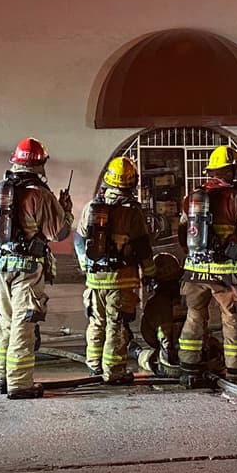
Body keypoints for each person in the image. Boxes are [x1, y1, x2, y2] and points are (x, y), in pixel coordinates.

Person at [0, 137, 73, 399]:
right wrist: (65, 211)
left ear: (15, 161)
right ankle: (19, 384)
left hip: (1, 267)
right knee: (24, 325)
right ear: (41, 164)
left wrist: (1, 259)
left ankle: (1, 377)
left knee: (6, 321)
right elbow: (59, 233)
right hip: (28, 270)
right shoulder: (40, 195)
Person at [178, 145, 237, 388]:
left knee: (194, 317)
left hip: (195, 271)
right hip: (224, 275)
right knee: (231, 319)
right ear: (230, 170)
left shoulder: (193, 198)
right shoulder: (236, 198)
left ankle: (190, 370)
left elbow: (183, 234)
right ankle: (235, 372)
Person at [74, 156, 155, 385]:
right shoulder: (132, 212)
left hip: (94, 279)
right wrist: (150, 273)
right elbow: (142, 247)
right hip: (121, 280)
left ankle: (94, 366)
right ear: (132, 182)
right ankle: (114, 371)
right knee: (116, 325)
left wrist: (86, 266)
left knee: (96, 322)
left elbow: (79, 240)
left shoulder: (92, 207)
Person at [135, 252, 188, 376]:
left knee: (147, 357)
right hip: (197, 360)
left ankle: (136, 352)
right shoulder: (192, 297)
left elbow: (149, 335)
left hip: (170, 365)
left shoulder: (154, 304)